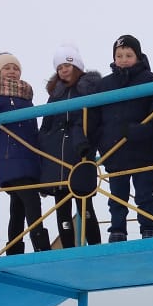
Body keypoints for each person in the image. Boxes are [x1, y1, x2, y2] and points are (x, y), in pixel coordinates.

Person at [0, 52, 50, 254]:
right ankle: (41, 247)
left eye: (16, 68)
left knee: (18, 206)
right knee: (31, 200)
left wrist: (41, 163)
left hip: (29, 160)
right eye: (7, 68)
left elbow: (32, 132)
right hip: (9, 159)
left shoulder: (25, 96)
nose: (12, 72)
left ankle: (14, 249)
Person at [87, 35, 153, 241]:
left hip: (141, 150)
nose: (123, 59)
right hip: (114, 151)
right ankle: (117, 230)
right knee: (117, 196)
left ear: (138, 56)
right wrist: (101, 140)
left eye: (129, 55)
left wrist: (143, 130)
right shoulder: (104, 84)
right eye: (119, 55)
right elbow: (94, 116)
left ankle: (149, 228)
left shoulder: (150, 80)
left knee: (144, 195)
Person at [37, 44, 103, 247]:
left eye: (67, 65)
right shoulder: (55, 95)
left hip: (79, 153)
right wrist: (43, 152)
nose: (63, 70)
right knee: (62, 208)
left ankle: (95, 247)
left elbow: (94, 119)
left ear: (77, 66)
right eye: (59, 68)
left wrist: (84, 138)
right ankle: (67, 250)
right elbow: (46, 126)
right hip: (57, 157)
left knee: (85, 204)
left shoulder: (87, 89)